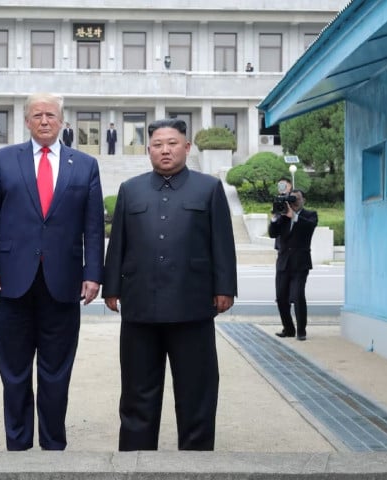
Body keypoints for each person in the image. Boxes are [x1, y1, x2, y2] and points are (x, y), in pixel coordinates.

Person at [0, 92, 105, 451]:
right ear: (27, 122)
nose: (44, 121)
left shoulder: (84, 165)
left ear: (62, 121)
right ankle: (18, 445)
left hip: (63, 284)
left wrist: (93, 273)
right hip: (11, 283)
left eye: (50, 115)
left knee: (56, 373)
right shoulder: (3, 160)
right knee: (14, 373)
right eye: (37, 115)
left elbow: (93, 227)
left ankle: (53, 445)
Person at [102, 118, 237, 451]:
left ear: (187, 147)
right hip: (140, 308)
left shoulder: (208, 188)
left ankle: (196, 462)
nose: (165, 150)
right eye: (158, 144)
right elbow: (118, 241)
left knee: (197, 391)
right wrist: (111, 287)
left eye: (172, 143)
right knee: (137, 392)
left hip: (192, 306)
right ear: (148, 150)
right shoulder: (130, 189)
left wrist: (225, 287)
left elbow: (222, 241)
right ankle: (135, 460)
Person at [268, 189, 317, 341]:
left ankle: (301, 330)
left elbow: (309, 227)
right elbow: (272, 233)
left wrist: (293, 216)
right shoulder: (283, 216)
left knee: (297, 296)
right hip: (283, 263)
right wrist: (275, 217)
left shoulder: (310, 215)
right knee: (281, 298)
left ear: (304, 200)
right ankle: (288, 329)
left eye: (297, 199)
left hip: (300, 264)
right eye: (292, 199)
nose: (295, 201)